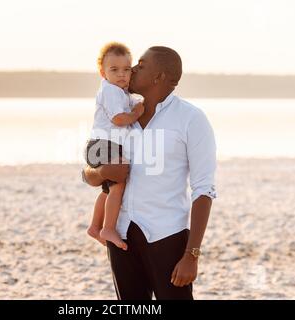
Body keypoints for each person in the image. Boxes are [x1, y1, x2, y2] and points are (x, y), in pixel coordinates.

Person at [82, 46, 217, 300]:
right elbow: (88, 174)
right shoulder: (120, 114)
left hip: (167, 237)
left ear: (158, 77)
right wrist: (102, 172)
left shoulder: (191, 119)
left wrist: (192, 255)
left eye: (140, 66)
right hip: (121, 237)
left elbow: (204, 190)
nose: (131, 70)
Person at [84, 42, 144, 251]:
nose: (121, 75)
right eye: (114, 70)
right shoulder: (110, 91)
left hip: (102, 145)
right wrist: (136, 113)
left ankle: (94, 226)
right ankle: (108, 228)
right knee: (119, 184)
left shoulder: (118, 91)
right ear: (102, 72)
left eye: (126, 70)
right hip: (105, 145)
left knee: (109, 190)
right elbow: (119, 118)